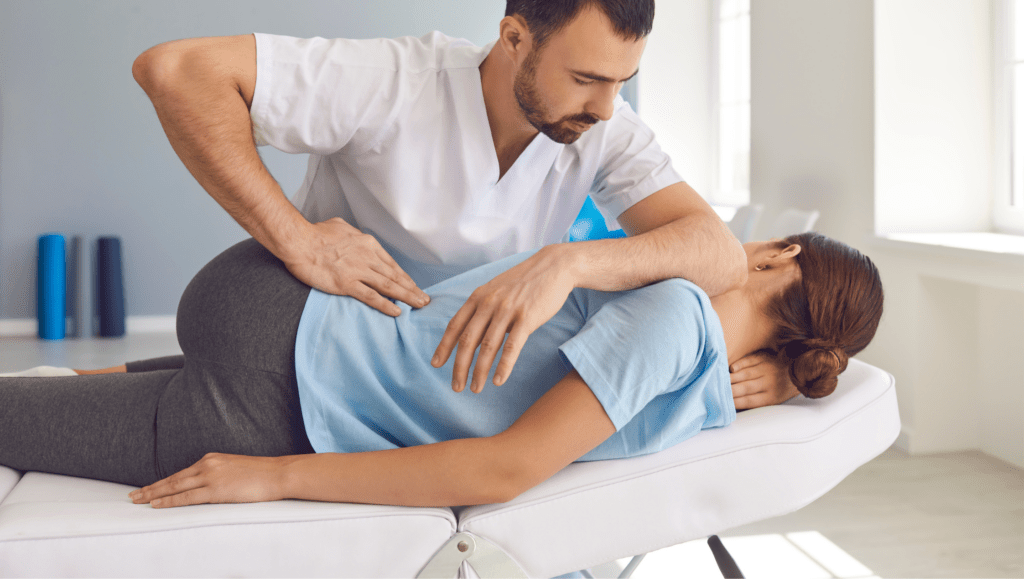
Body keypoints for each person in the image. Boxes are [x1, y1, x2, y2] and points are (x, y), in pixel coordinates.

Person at [130, 0, 797, 408]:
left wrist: (565, 263)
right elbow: (177, 73)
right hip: (312, 346)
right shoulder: (395, 80)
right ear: (514, 38)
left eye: (623, 81)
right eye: (588, 77)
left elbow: (717, 252)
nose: (606, 106)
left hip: (446, 375)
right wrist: (296, 239)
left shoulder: (603, 125)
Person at [0, 232, 882, 509]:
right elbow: (504, 466)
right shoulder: (683, 335)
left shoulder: (675, 322)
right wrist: (273, 478)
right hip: (276, 378)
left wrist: (272, 476)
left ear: (778, 255)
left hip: (275, 343)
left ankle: (95, 380)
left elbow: (504, 465)